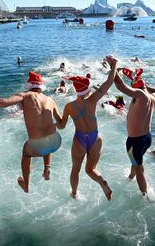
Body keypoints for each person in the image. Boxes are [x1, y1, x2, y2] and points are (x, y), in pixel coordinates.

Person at [0, 72, 62, 193]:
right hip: (56, 141)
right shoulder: (50, 100)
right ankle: (47, 169)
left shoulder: (25, 95)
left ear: (29, 86)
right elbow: (61, 123)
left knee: (26, 151)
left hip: (39, 145)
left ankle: (26, 185)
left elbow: (3, 102)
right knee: (47, 138)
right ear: (41, 86)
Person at [56, 56, 117, 201]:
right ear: (87, 90)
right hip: (95, 138)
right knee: (90, 170)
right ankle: (102, 181)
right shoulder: (92, 100)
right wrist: (114, 65)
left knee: (75, 169)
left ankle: (74, 193)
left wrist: (53, 123)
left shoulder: (69, 107)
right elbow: (109, 82)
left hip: (80, 140)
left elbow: (62, 126)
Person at [114, 67, 155, 197]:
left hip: (135, 141)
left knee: (140, 169)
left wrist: (114, 69)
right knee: (136, 162)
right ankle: (130, 177)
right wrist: (140, 82)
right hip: (147, 138)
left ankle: (145, 196)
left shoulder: (140, 95)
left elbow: (120, 86)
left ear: (136, 89)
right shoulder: (152, 97)